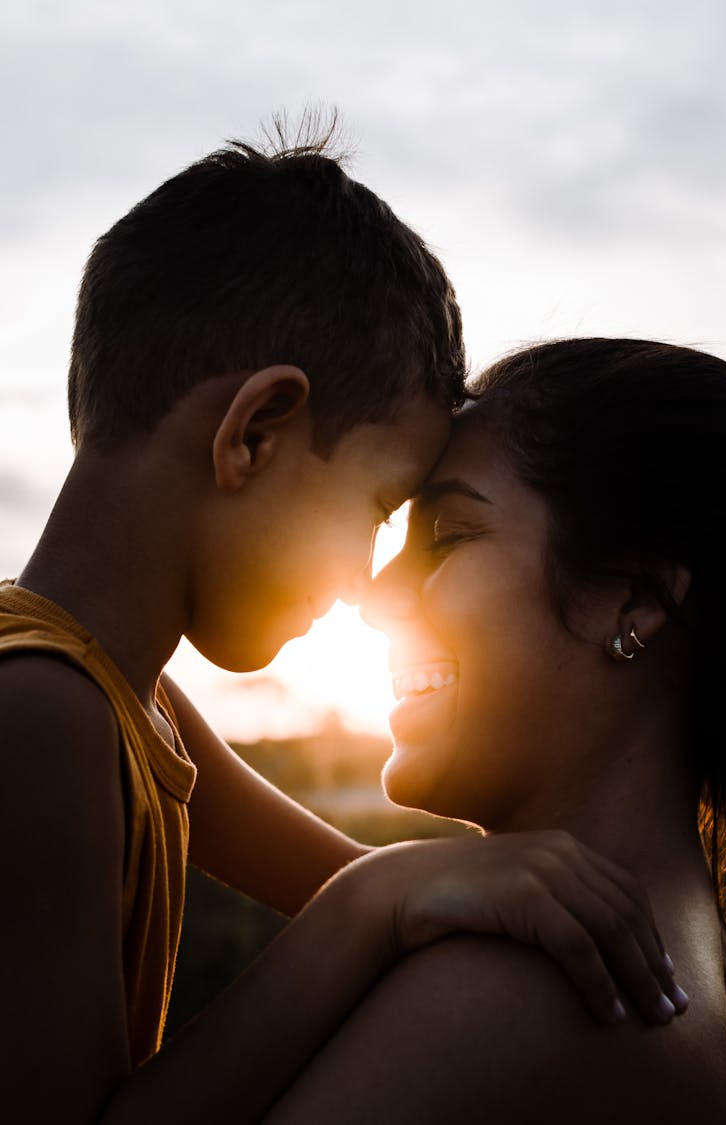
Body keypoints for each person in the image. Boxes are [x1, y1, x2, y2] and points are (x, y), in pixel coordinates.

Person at [0, 131, 682, 1123]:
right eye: (375, 509)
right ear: (257, 432)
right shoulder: (40, 716)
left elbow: (357, 876)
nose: (367, 583)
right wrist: (373, 907)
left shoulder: (127, 706)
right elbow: (366, 894)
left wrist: (561, 914)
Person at [251, 337, 726, 1123]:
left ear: (634, 599)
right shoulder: (667, 948)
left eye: (446, 534)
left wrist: (363, 899)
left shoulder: (512, 992)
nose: (375, 597)